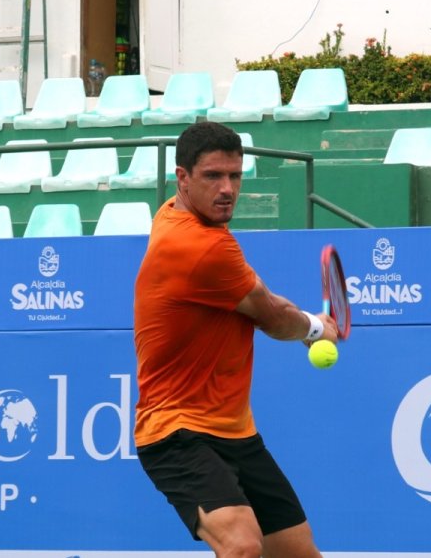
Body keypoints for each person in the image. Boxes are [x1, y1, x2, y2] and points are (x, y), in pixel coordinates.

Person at [133, 121, 339, 558]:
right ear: (182, 177)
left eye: (235, 176)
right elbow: (270, 316)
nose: (227, 189)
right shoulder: (199, 245)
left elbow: (258, 298)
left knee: (299, 554)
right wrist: (315, 328)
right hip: (176, 430)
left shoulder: (175, 212)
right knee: (242, 545)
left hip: (235, 430)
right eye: (213, 176)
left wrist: (301, 319)